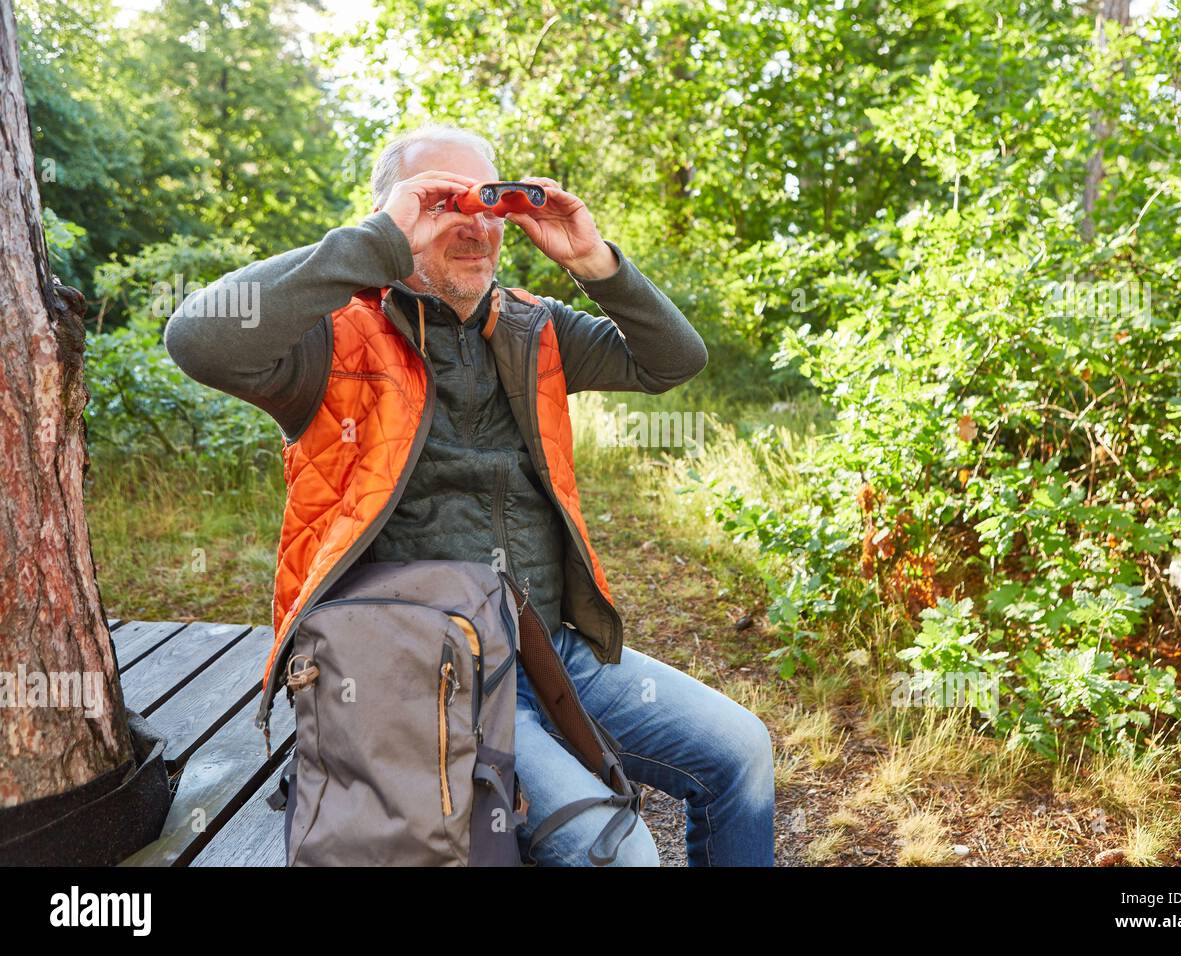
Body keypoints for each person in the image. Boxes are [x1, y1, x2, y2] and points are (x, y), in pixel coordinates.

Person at [164, 123, 775, 866]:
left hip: (553, 654)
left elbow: (673, 360)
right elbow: (198, 338)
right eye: (441, 202)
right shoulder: (331, 340)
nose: (474, 224)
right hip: (423, 679)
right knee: (616, 852)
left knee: (742, 751)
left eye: (488, 202)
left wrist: (594, 260)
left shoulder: (532, 326)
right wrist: (375, 241)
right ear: (393, 215)